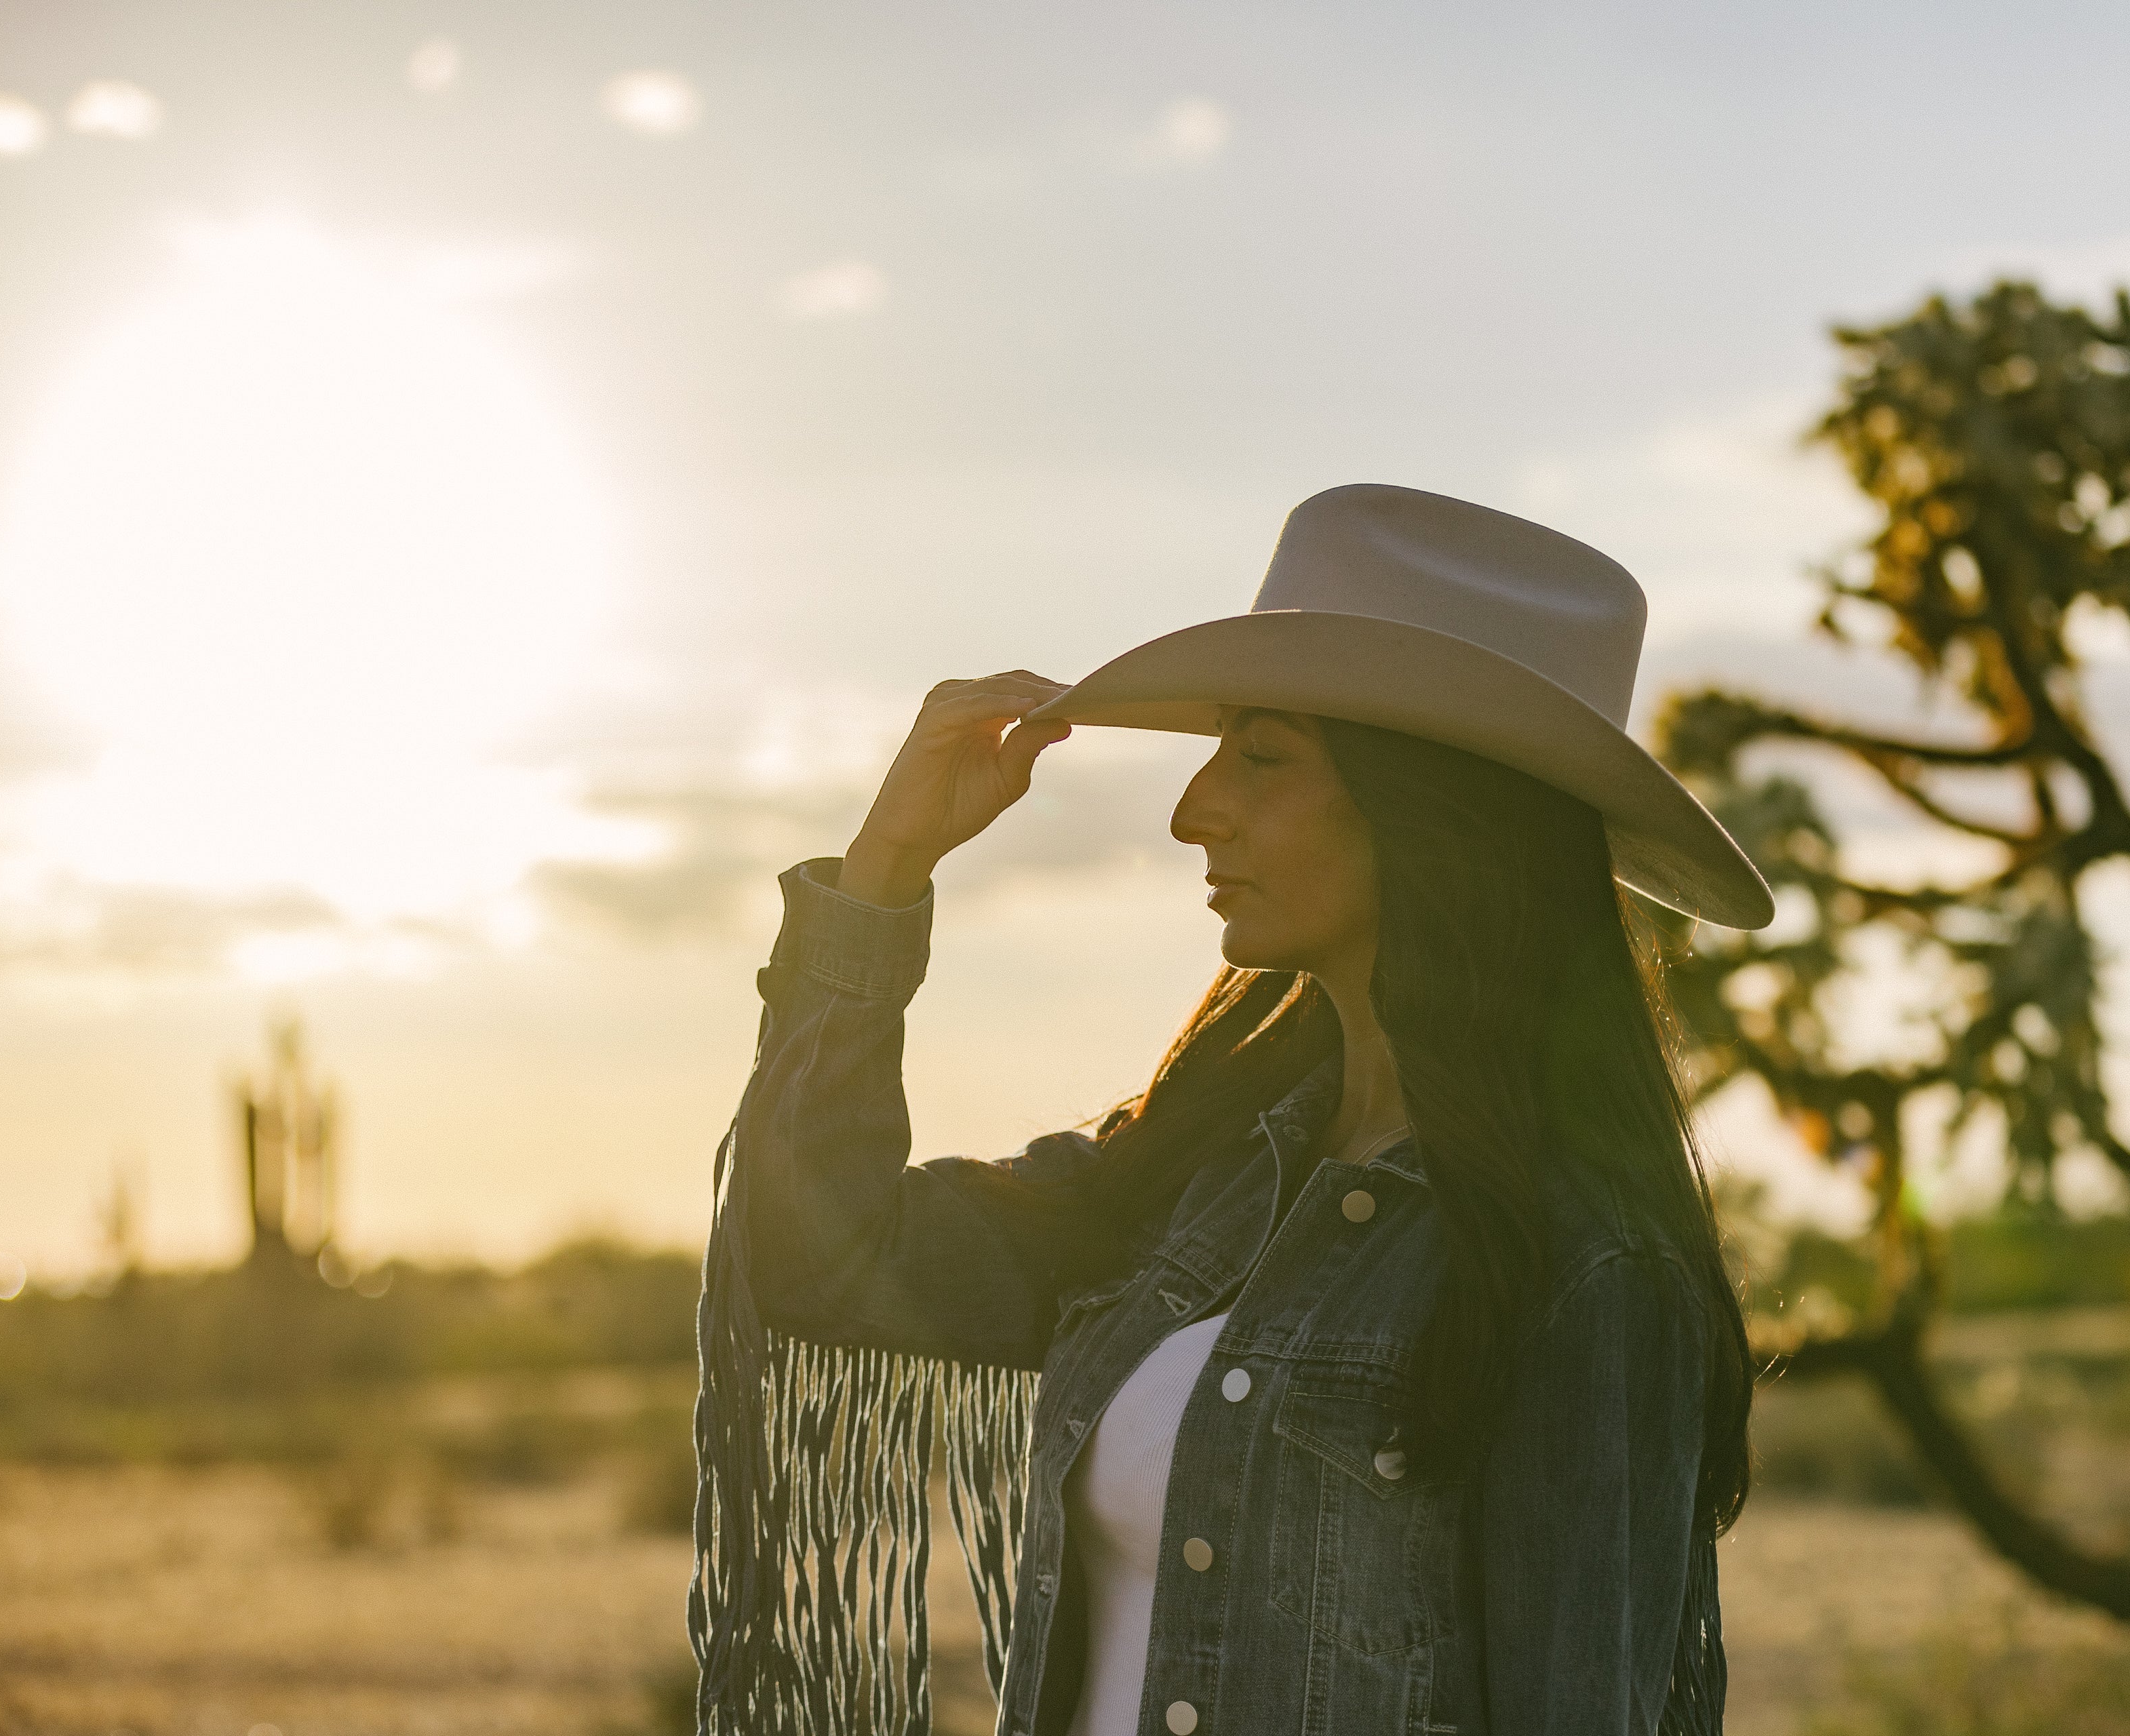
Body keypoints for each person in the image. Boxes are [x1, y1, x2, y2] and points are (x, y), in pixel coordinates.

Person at [688, 484, 1774, 1736]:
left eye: (1261, 757)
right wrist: (881, 883)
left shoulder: (1587, 1265)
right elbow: (816, 1256)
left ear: (1434, 811)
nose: (1192, 808)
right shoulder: (1192, 1176)